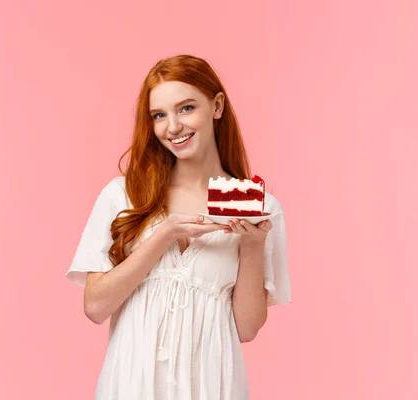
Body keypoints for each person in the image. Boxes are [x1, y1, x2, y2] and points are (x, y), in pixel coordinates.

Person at [66, 54, 291, 400]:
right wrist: (164, 235)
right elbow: (95, 306)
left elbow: (246, 328)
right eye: (159, 115)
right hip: (130, 387)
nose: (172, 127)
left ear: (216, 106)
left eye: (186, 108)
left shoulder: (259, 209)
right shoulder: (123, 195)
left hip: (212, 387)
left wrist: (252, 246)